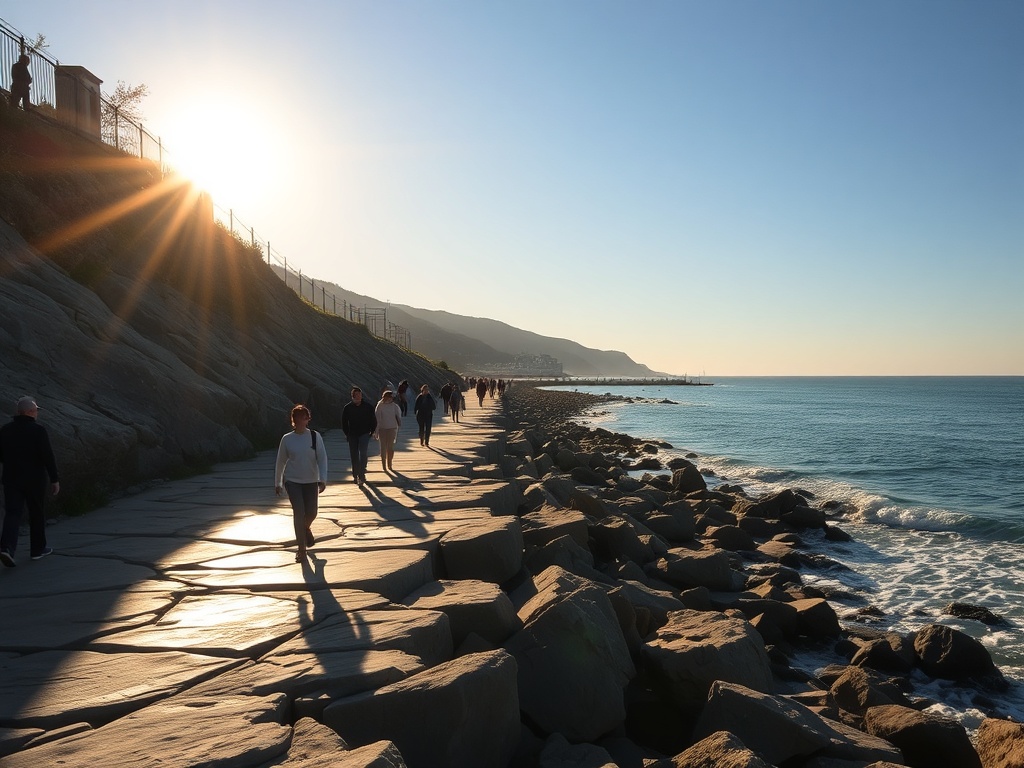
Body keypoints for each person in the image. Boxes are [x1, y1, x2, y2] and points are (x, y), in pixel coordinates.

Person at [0, 396, 60, 566]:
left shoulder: (5, 430)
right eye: (35, 410)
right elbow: (47, 456)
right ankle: (37, 550)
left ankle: (6, 548)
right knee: (36, 513)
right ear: (30, 412)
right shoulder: (38, 430)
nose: (36, 413)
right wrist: (55, 479)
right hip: (34, 479)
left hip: (11, 479)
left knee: (12, 513)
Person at [274, 404, 327, 563]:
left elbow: (322, 459)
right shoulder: (287, 439)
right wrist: (278, 482)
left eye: (305, 417)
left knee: (311, 513)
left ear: (307, 419)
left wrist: (323, 479)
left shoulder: (314, 436)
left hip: (311, 480)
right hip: (293, 481)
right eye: (299, 417)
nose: (302, 420)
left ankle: (305, 528)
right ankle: (301, 549)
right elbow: (281, 462)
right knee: (299, 512)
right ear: (294, 420)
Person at [341, 386, 376, 485]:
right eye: (355, 395)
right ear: (352, 397)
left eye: (359, 395)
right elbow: (344, 422)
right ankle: (355, 474)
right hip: (352, 434)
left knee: (363, 453)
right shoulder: (347, 408)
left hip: (364, 433)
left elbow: (373, 419)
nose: (358, 397)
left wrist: (372, 431)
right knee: (354, 455)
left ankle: (362, 474)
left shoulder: (368, 407)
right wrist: (347, 433)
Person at [374, 390, 402, 472]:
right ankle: (384, 465)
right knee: (383, 447)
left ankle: (389, 463)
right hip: (382, 429)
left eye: (391, 397)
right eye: (388, 397)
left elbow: (398, 417)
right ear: (384, 397)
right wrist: (376, 431)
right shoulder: (379, 406)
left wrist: (399, 424)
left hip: (392, 428)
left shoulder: (394, 406)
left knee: (390, 447)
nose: (390, 399)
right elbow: (377, 419)